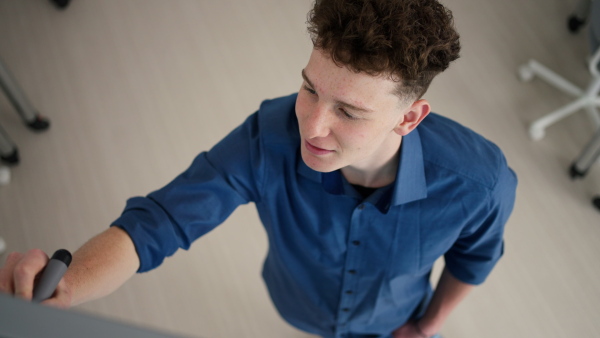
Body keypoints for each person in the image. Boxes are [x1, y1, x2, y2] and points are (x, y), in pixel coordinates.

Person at [0, 0, 517, 337]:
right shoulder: (269, 135)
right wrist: (67, 289)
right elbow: (159, 223)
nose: (311, 128)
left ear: (409, 116)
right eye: (310, 88)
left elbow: (474, 261)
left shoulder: (479, 182)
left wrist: (424, 330)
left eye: (349, 112)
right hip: (297, 306)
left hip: (395, 320)